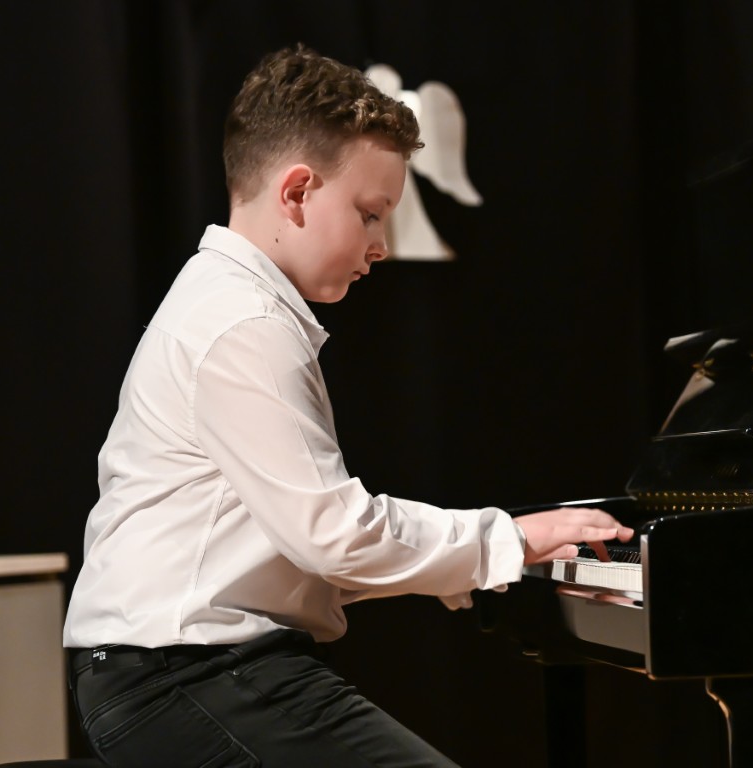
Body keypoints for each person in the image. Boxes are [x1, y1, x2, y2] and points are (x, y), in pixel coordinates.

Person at [63, 43, 633, 768]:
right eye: (369, 214)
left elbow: (300, 552)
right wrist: (506, 539)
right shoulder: (245, 323)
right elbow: (333, 536)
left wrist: (470, 563)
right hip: (183, 674)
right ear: (298, 192)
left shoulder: (233, 303)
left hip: (181, 668)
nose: (381, 245)